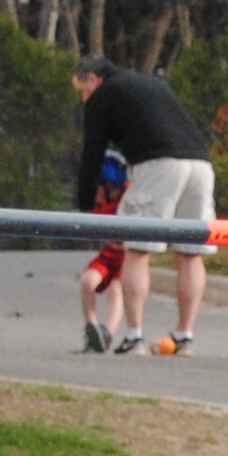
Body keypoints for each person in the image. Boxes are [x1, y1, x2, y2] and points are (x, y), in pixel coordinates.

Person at [71, 58, 216, 353]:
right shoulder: (149, 83)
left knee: (136, 249)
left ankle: (134, 336)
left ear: (94, 79)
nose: (83, 99)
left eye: (82, 90)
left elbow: (92, 153)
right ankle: (184, 336)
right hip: (200, 163)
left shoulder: (103, 96)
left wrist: (85, 206)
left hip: (159, 164)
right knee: (190, 253)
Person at [78, 150, 131, 352]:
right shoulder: (99, 203)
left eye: (99, 188)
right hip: (108, 255)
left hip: (126, 258)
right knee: (87, 281)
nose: (96, 194)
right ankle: (92, 328)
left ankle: (107, 333)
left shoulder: (128, 197)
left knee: (116, 292)